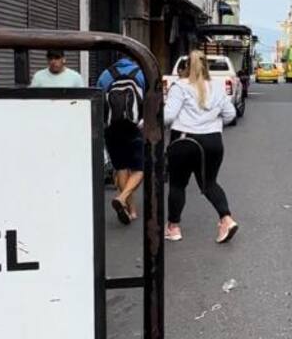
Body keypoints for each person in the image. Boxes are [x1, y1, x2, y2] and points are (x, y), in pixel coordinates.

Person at [164, 50, 238, 244]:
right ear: (207, 66)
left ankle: (173, 227)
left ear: (186, 66)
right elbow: (230, 115)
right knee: (209, 183)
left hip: (184, 140)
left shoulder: (180, 86)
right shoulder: (217, 87)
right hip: (212, 142)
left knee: (178, 184)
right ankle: (226, 219)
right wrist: (212, 121)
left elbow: (168, 116)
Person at [98, 55, 146, 225]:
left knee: (121, 167)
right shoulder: (140, 73)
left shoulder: (105, 75)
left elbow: (99, 101)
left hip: (112, 129)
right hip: (134, 128)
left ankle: (130, 209)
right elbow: (148, 100)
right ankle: (123, 197)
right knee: (140, 169)